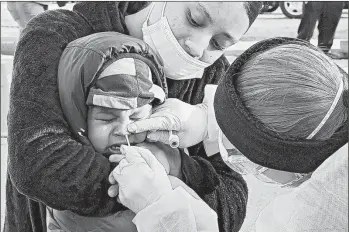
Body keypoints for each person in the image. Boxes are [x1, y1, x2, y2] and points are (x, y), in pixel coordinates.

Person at [4, 2, 263, 232]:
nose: (197, 47)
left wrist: (179, 165)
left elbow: (230, 206)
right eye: (194, 18)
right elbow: (38, 164)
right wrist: (162, 186)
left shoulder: (212, 75)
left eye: (218, 44)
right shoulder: (58, 33)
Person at [126, 37, 348, 230]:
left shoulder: (317, 214)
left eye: (246, 161)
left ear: (293, 162)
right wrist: (206, 121)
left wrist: (164, 215)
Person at [46, 31, 218, 232]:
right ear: (78, 116)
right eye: (107, 118)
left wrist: (176, 167)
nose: (125, 130)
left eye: (136, 117)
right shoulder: (65, 183)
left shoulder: (167, 168)